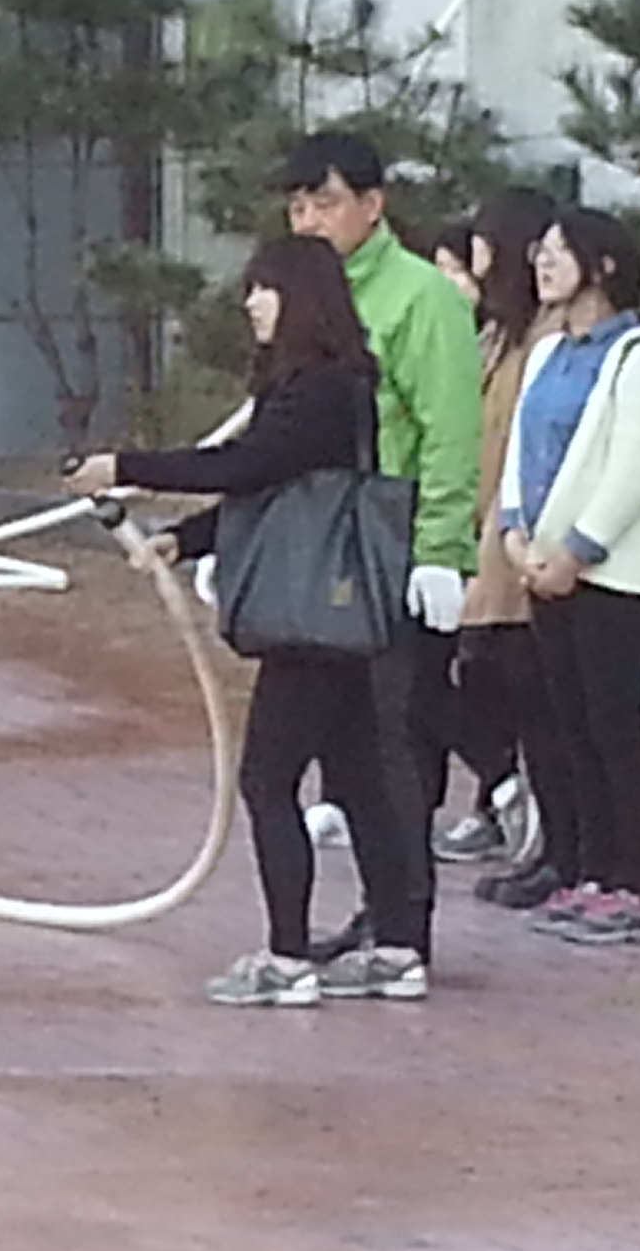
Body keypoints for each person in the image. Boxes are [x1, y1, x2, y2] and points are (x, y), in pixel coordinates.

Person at [63, 237, 420, 1003]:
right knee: (358, 778)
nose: (251, 302)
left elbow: (245, 468)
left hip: (311, 621)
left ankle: (287, 960)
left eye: (265, 288)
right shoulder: (319, 385)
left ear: (301, 298)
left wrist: (127, 466)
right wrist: (186, 539)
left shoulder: (322, 389)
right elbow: (274, 492)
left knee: (268, 778)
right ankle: (397, 946)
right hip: (330, 609)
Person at [277, 132, 481, 971]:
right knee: (347, 746)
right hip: (327, 549)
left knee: (392, 743)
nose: (309, 221)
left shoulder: (421, 298)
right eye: (297, 206)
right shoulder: (307, 297)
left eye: (325, 203)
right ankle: (380, 913)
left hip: (393, 544)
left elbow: (449, 431)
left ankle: (405, 928)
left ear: (373, 203)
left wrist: (440, 549)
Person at [498, 207, 640, 945]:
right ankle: (586, 872)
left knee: (614, 728)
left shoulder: (639, 357)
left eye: (559, 252)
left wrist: (577, 551)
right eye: (539, 251)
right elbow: (521, 451)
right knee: (567, 724)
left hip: (613, 576)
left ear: (602, 266)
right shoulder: (547, 352)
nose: (542, 263)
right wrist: (515, 534)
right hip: (544, 566)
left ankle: (634, 885)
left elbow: (631, 469)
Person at [444, 187, 562, 885]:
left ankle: (534, 813)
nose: (475, 257)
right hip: (473, 523)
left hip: (518, 533)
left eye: (484, 244)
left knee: (509, 674)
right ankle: (502, 790)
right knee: (463, 673)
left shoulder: (547, 337)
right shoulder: (494, 333)